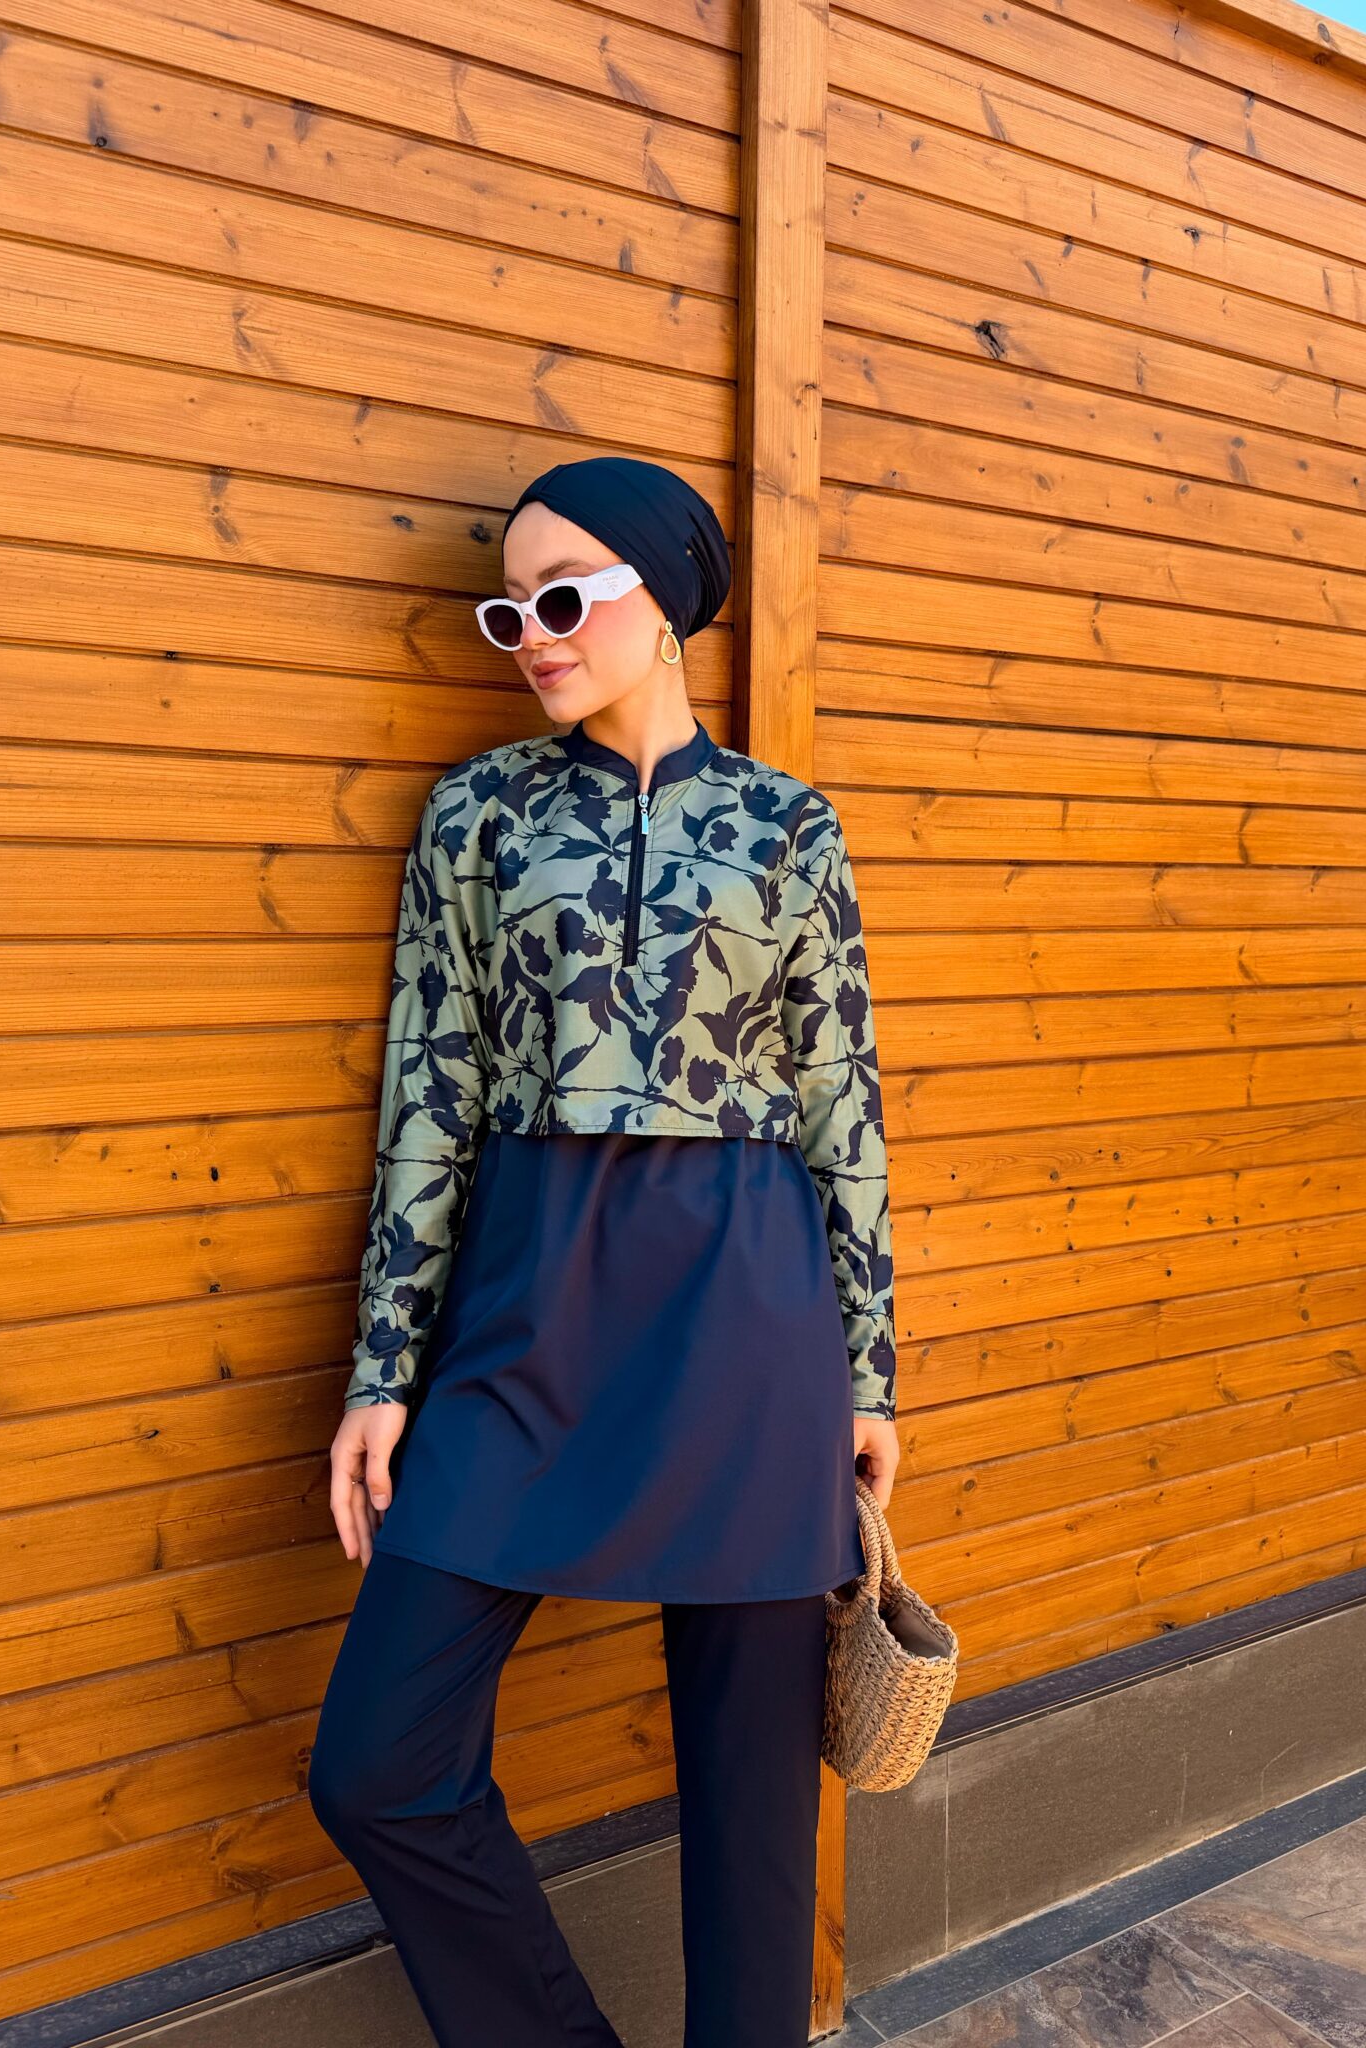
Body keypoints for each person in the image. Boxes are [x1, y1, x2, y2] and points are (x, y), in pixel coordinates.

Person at [307, 455, 899, 2047]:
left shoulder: (788, 827)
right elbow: (428, 1096)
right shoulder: (479, 816)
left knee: (753, 1823)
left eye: (563, 599)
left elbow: (842, 1106)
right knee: (377, 1763)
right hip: (529, 1312)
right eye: (510, 613)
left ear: (667, 601)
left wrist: (868, 1375)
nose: (535, 638)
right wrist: (384, 1370)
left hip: (748, 1321)